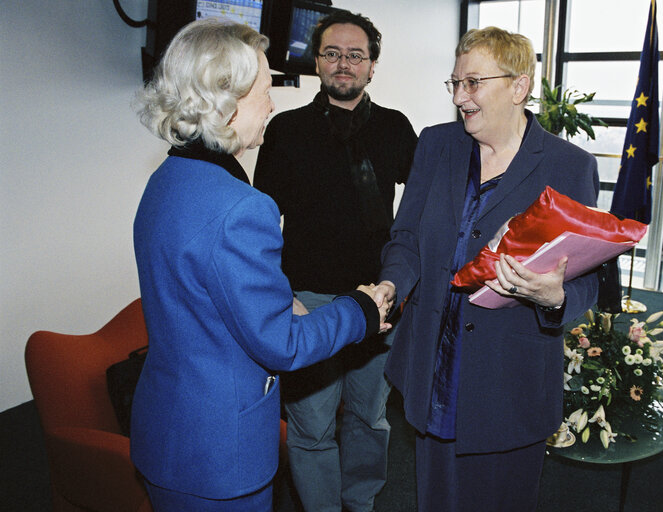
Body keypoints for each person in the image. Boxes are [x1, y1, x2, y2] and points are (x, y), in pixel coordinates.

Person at [130, 18, 390, 512]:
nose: (272, 104)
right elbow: (282, 346)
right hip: (219, 454)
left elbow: (205, 299)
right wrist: (362, 309)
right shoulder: (240, 207)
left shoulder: (167, 179)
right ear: (225, 101)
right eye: (266, 90)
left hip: (167, 433)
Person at [373, 27, 600, 512]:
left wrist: (553, 296)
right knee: (434, 498)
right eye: (454, 83)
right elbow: (407, 236)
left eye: (473, 83)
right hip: (432, 363)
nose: (460, 97)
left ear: (518, 86)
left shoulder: (568, 166)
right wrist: (392, 282)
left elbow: (587, 281)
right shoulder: (436, 146)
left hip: (508, 378)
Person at [253, 9, 417, 512]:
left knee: (370, 417)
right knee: (312, 426)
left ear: (372, 66)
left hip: (378, 300)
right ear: (317, 62)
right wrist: (281, 299)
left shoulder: (395, 128)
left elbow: (421, 210)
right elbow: (260, 223)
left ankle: (360, 502)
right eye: (332, 53)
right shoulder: (285, 129)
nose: (343, 63)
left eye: (355, 55)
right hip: (308, 302)